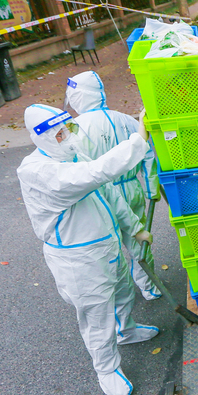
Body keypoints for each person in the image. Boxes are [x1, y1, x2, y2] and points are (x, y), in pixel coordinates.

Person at [17, 104, 159, 395]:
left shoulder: (71, 155)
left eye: (68, 129)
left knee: (123, 292)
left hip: (106, 243)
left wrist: (134, 227)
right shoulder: (37, 172)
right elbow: (97, 172)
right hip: (78, 258)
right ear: (41, 138)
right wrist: (138, 139)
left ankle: (126, 330)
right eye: (59, 134)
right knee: (97, 315)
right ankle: (106, 369)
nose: (67, 137)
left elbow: (109, 191)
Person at [65, 71, 161, 301]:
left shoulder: (73, 128)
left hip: (99, 195)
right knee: (138, 240)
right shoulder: (126, 120)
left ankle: (117, 295)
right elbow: (147, 154)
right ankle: (150, 287)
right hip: (131, 189)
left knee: (108, 246)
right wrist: (151, 189)